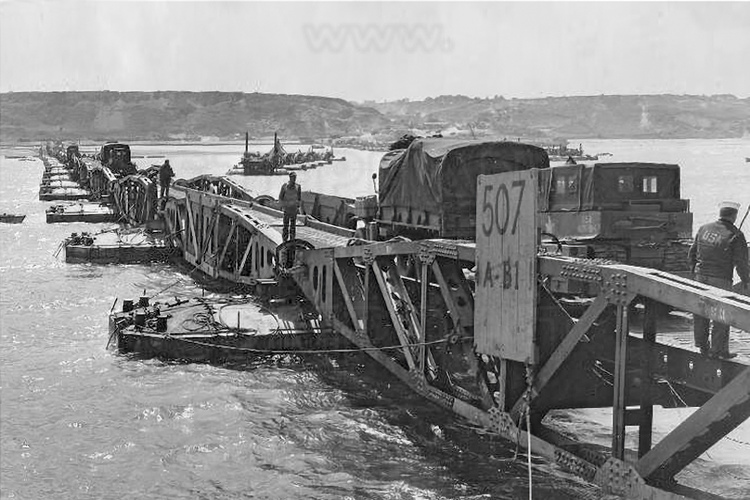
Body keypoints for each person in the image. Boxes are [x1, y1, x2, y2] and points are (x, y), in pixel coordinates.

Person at [688, 201, 749, 358]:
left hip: (700, 277)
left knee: (701, 311)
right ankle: (719, 350)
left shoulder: (703, 228)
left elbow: (692, 253)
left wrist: (694, 274)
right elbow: (741, 263)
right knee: (721, 315)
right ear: (734, 216)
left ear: (720, 214)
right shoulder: (736, 235)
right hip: (721, 280)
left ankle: (702, 345)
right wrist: (746, 281)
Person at [278, 171, 301, 241]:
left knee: (293, 226)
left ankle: (292, 239)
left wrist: (298, 207)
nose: (294, 179)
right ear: (290, 178)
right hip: (287, 209)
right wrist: (282, 206)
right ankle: (284, 239)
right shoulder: (285, 186)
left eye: (295, 177)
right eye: (292, 177)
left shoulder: (298, 186)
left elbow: (299, 198)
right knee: (285, 225)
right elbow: (280, 197)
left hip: (294, 209)